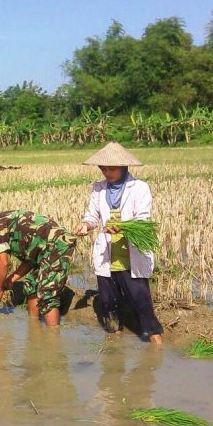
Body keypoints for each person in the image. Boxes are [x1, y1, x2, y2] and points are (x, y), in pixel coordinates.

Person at [73, 142, 163, 344]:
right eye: (103, 168)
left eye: (111, 168)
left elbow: (143, 219)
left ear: (124, 167)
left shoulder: (140, 188)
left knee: (141, 301)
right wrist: (85, 226)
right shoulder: (98, 188)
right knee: (109, 302)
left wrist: (122, 227)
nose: (106, 172)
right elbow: (93, 216)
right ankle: (114, 341)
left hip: (131, 253)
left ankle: (155, 340)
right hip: (108, 253)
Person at [0, 208, 76, 326]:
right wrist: (11, 280)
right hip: (44, 249)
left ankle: (52, 339)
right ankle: (34, 329)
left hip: (56, 245)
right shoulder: (4, 220)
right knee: (31, 285)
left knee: (47, 294)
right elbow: (29, 261)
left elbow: (3, 262)